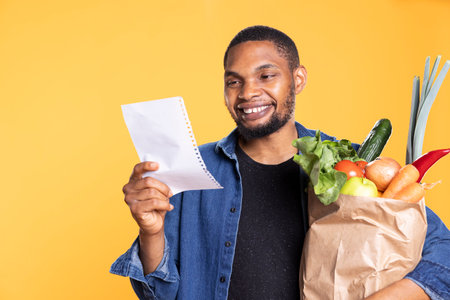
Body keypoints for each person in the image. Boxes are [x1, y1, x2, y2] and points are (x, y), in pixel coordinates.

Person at [110, 26, 450, 300]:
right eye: (234, 81)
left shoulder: (355, 165)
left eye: (266, 76)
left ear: (298, 79)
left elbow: (443, 254)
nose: (247, 93)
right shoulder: (192, 169)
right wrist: (150, 232)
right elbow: (158, 293)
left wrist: (396, 295)